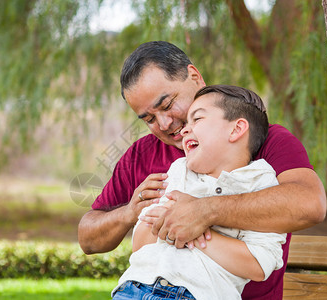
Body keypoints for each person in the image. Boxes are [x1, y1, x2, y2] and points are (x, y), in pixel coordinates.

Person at [78, 41, 327, 299]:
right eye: (149, 119)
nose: (164, 124)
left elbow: (310, 204)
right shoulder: (141, 154)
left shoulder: (261, 140)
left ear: (194, 77)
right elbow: (88, 237)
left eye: (167, 104)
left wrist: (204, 211)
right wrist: (129, 213)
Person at [112, 85, 287, 300]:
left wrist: (196, 227)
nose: (184, 130)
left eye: (197, 119)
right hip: (134, 288)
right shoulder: (179, 171)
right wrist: (173, 221)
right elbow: (140, 244)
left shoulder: (259, 180)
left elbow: (259, 265)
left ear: (236, 129)